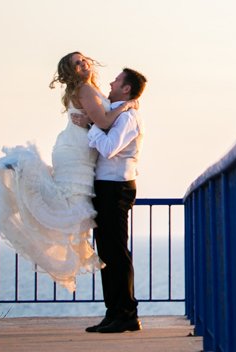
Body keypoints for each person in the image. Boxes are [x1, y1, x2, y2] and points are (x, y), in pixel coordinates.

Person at [0, 52, 137, 292]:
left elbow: (99, 118)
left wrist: (106, 112)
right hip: (76, 152)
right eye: (77, 63)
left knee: (70, 204)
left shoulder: (89, 88)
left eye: (83, 59)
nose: (83, 63)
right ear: (71, 72)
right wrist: (125, 106)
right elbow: (105, 123)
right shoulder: (85, 89)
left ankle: (21, 175)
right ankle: (21, 173)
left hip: (75, 149)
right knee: (68, 202)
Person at [82, 66, 147, 334]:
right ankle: (113, 312)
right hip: (106, 187)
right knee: (107, 252)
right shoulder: (116, 113)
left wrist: (91, 127)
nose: (111, 82)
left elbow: (109, 149)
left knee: (117, 253)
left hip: (116, 187)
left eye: (117, 80)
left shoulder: (128, 117)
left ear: (127, 88)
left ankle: (127, 314)